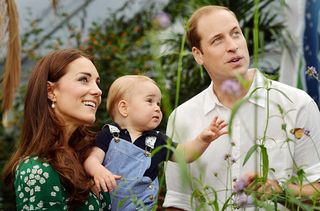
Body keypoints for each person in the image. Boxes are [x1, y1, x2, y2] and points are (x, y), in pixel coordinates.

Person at [163, 5, 320, 210]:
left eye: (236, 34)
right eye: (217, 40)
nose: (232, 46)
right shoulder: (182, 117)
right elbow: (178, 201)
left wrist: (280, 191)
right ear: (198, 55)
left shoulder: (297, 104)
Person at [83, 75, 228, 210]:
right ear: (124, 108)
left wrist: (202, 140)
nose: (157, 108)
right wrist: (98, 170)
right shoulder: (109, 134)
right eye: (149, 101)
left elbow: (185, 155)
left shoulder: (157, 140)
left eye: (158, 103)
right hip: (104, 206)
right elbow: (92, 159)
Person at [2, 49, 111, 210]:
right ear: (51, 91)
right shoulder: (37, 169)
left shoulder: (90, 158)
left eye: (97, 82)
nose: (98, 91)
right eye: (83, 79)